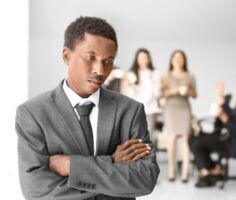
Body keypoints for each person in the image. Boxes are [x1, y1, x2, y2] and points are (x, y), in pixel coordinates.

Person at [15, 16, 159, 200]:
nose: (100, 70)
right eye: (91, 58)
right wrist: (112, 163)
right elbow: (36, 190)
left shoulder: (130, 110)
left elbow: (145, 179)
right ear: (67, 56)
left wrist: (72, 167)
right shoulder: (32, 113)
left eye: (108, 61)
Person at [189, 74, 236, 187]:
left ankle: (210, 171)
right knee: (195, 139)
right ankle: (213, 170)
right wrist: (220, 96)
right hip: (227, 137)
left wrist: (223, 116)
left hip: (235, 143)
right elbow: (232, 115)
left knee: (197, 142)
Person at [161, 50, 197, 183]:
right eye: (175, 57)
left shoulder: (190, 76)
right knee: (172, 138)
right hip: (170, 109)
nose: (177, 59)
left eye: (180, 57)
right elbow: (162, 93)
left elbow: (194, 94)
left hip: (184, 108)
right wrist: (175, 91)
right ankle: (171, 169)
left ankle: (185, 171)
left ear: (184, 60)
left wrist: (188, 91)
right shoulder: (166, 76)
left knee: (185, 138)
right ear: (171, 60)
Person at [124, 48, 162, 147]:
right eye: (141, 58)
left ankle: (149, 160)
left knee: (150, 137)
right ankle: (137, 160)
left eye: (145, 58)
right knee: (135, 136)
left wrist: (152, 81)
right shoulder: (131, 74)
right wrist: (129, 85)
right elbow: (129, 95)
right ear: (137, 59)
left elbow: (157, 94)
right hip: (136, 110)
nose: (143, 60)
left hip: (151, 109)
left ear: (149, 59)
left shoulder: (154, 73)